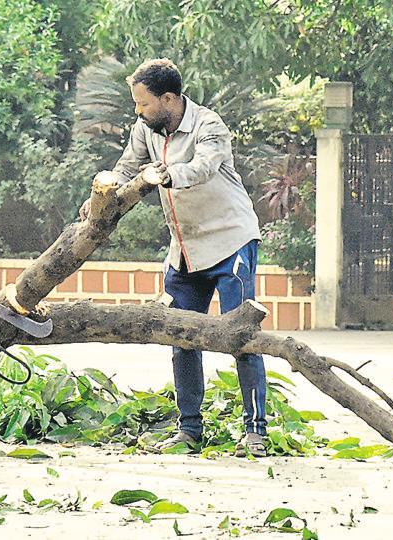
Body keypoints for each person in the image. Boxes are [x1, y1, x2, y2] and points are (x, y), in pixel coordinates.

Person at [79, 59, 268, 457]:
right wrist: (97, 200)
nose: (138, 111)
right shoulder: (144, 130)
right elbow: (126, 168)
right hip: (183, 251)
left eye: (143, 104)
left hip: (230, 241)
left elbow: (203, 168)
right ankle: (190, 430)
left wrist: (166, 175)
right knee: (180, 337)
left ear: (169, 98)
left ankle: (256, 431)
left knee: (241, 337)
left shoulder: (209, 125)